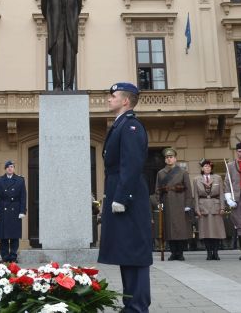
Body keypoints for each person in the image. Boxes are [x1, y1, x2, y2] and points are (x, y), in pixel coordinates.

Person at [98, 82, 151, 313]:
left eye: (113, 96)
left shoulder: (131, 126)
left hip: (129, 198)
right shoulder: (120, 124)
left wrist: (122, 196)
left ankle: (138, 306)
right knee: (125, 251)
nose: (109, 99)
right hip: (119, 193)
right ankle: (131, 304)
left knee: (135, 253)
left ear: (125, 101)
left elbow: (131, 164)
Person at [40, 0, 83, 90]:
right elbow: (44, 6)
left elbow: (78, 4)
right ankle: (57, 86)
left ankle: (69, 86)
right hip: (56, 26)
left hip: (70, 24)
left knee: (70, 56)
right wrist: (52, 20)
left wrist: (71, 18)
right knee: (57, 57)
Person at [155, 148, 193, 261]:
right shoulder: (161, 173)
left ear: (175, 159)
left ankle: (180, 253)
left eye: (171, 157)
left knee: (180, 229)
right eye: (167, 157)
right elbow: (157, 189)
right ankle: (173, 252)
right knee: (169, 229)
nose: (169, 159)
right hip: (167, 202)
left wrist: (188, 204)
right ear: (165, 160)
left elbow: (188, 189)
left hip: (180, 202)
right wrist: (158, 202)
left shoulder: (182, 172)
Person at [0, 160, 26, 263]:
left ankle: (13, 257)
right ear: (5, 169)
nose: (10, 168)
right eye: (8, 167)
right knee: (3, 237)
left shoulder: (20, 180)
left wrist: (22, 211)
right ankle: (4, 257)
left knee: (14, 236)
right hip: (3, 211)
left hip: (15, 211)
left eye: (11, 167)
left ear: (14, 168)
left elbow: (23, 197)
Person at [193, 159, 226, 260]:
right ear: (202, 168)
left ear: (211, 168)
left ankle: (215, 253)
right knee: (206, 231)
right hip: (203, 207)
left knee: (216, 231)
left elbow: (221, 193)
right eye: (205, 166)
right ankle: (208, 253)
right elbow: (196, 195)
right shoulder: (196, 179)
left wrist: (222, 207)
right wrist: (197, 209)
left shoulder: (217, 178)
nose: (207, 168)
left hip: (215, 206)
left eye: (209, 166)